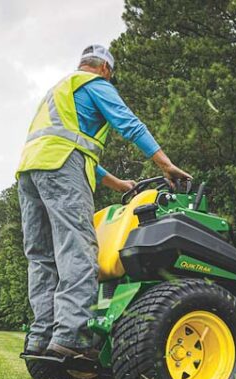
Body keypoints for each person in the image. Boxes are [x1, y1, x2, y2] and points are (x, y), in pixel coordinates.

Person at [16, 44, 191, 361]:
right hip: (61, 167)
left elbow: (73, 147)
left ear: (83, 62)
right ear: (106, 69)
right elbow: (130, 124)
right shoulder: (95, 84)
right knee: (78, 246)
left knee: (41, 257)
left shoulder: (59, 91)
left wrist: (120, 185)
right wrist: (166, 165)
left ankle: (41, 338)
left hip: (29, 172)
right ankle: (71, 336)